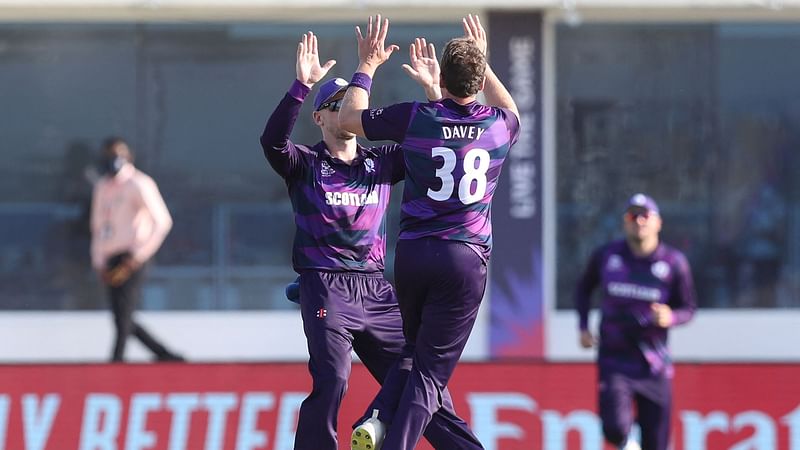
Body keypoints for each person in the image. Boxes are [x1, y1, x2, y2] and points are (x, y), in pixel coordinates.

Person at [259, 31, 482, 450]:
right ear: (320, 118)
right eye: (334, 105)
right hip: (326, 284)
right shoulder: (304, 163)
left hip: (377, 288)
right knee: (333, 378)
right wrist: (300, 86)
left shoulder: (380, 162)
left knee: (420, 369)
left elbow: (435, 143)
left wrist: (436, 94)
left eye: (349, 103)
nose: (345, 109)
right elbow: (271, 142)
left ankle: (411, 432)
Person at [338, 14, 520, 450]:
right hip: (463, 258)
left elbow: (348, 118)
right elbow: (511, 108)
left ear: (442, 72)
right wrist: (484, 61)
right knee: (430, 374)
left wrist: (367, 65)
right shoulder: (499, 126)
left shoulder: (417, 116)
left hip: (415, 255)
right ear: (477, 80)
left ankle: (376, 417)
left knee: (413, 351)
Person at [574, 193, 697, 450]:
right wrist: (584, 327)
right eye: (632, 216)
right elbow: (584, 289)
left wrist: (670, 317)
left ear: (658, 222)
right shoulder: (607, 256)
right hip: (615, 359)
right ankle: (627, 443)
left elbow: (688, 308)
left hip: (654, 365)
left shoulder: (674, 263)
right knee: (614, 428)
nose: (639, 221)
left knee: (657, 444)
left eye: (645, 216)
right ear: (624, 222)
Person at [90, 137, 183, 362]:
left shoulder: (139, 183)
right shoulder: (102, 187)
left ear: (128, 157)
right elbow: (98, 227)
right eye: (108, 155)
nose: (112, 160)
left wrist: (138, 256)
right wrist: (99, 261)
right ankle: (166, 355)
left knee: (123, 314)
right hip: (110, 257)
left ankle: (116, 363)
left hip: (132, 258)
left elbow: (162, 222)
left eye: (117, 155)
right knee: (121, 316)